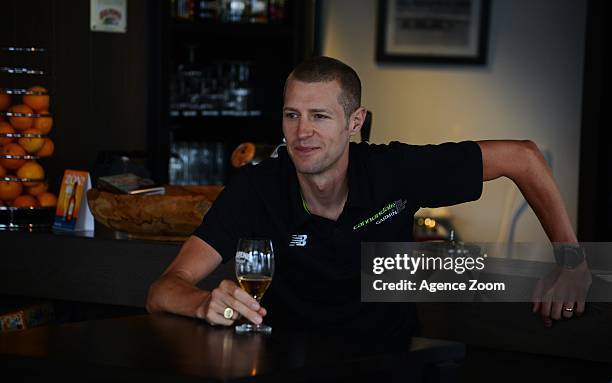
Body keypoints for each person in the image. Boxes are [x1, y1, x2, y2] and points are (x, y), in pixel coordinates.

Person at [146, 56, 589, 335]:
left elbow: (524, 157)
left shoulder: (394, 170)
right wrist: (204, 303)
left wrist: (573, 264)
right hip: (281, 372)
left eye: (320, 116)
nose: (303, 132)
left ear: (355, 122)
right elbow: (164, 290)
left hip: (387, 367)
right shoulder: (257, 187)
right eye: (292, 115)